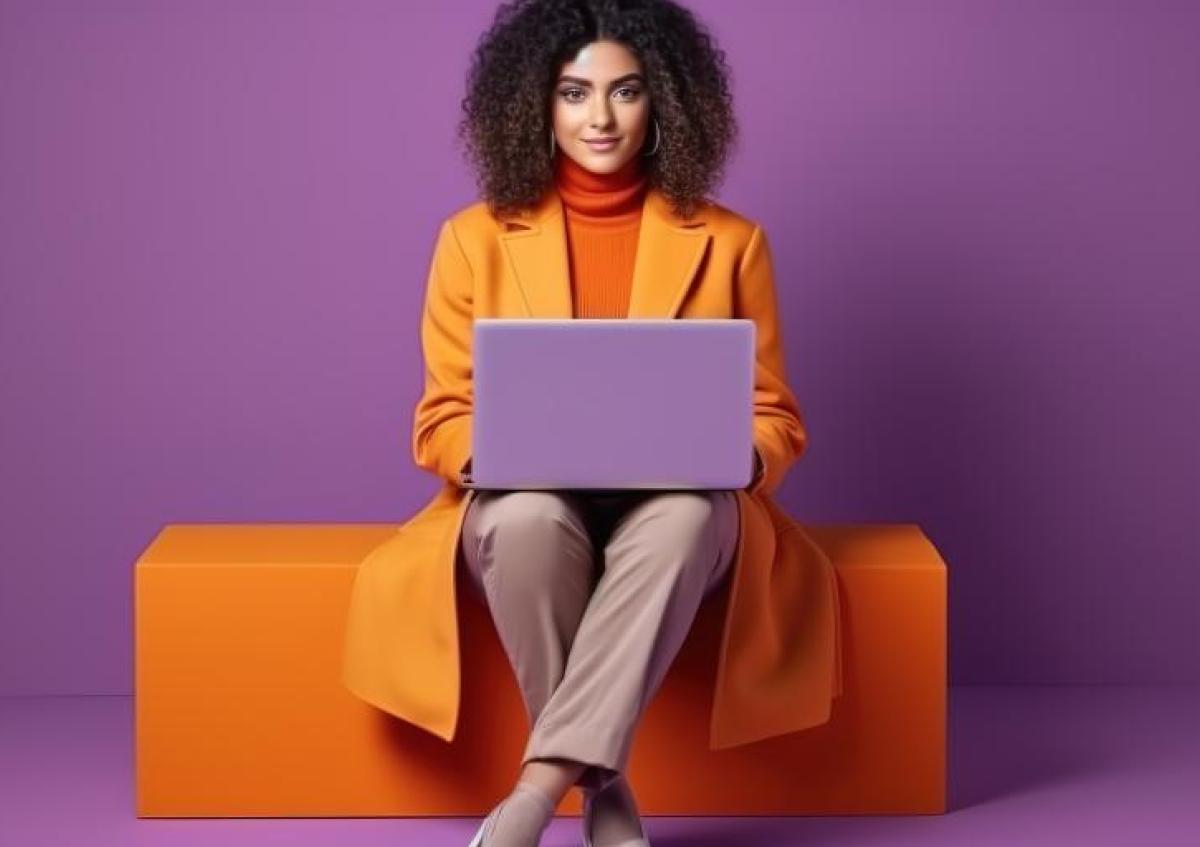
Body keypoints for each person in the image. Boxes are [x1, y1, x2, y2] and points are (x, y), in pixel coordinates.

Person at [340, 2, 844, 846]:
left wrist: (732, 455)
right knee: (528, 517)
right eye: (574, 93)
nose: (600, 117)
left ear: (666, 103)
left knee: (685, 517)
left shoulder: (732, 243)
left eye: (625, 91)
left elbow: (776, 418)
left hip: (680, 502)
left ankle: (535, 793)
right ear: (536, 102)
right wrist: (499, 453)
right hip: (527, 494)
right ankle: (606, 788)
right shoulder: (473, 242)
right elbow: (440, 420)